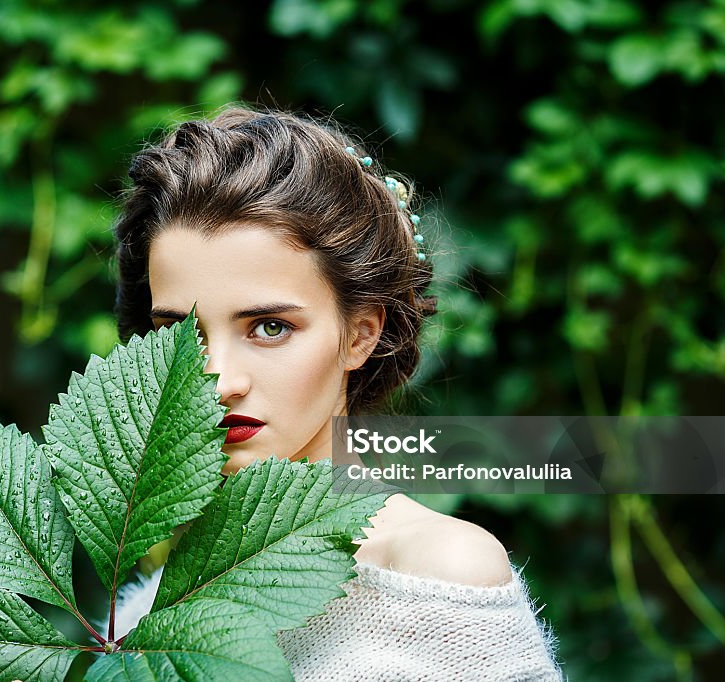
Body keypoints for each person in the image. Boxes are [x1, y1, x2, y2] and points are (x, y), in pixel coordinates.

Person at [110, 104, 565, 680]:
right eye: (178, 333)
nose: (218, 381)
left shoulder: (441, 577)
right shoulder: (150, 598)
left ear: (360, 335)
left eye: (270, 327)